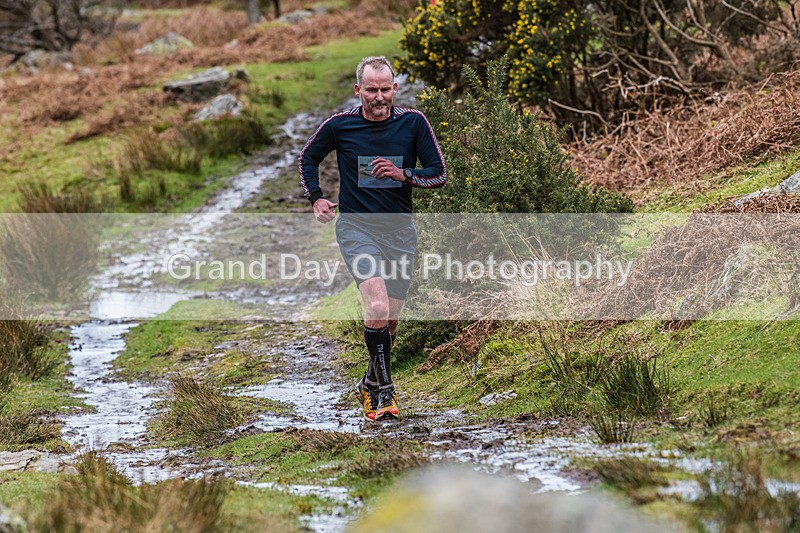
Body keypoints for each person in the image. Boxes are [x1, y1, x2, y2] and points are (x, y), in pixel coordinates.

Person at [299, 56, 446, 421]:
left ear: (394, 89)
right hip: (356, 229)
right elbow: (307, 158)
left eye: (385, 90)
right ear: (358, 90)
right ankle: (384, 392)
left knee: (391, 322)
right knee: (377, 307)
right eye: (371, 90)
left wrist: (402, 174)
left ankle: (369, 381)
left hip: (399, 233)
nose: (379, 98)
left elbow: (438, 174)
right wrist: (316, 197)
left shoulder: (414, 122)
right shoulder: (340, 126)